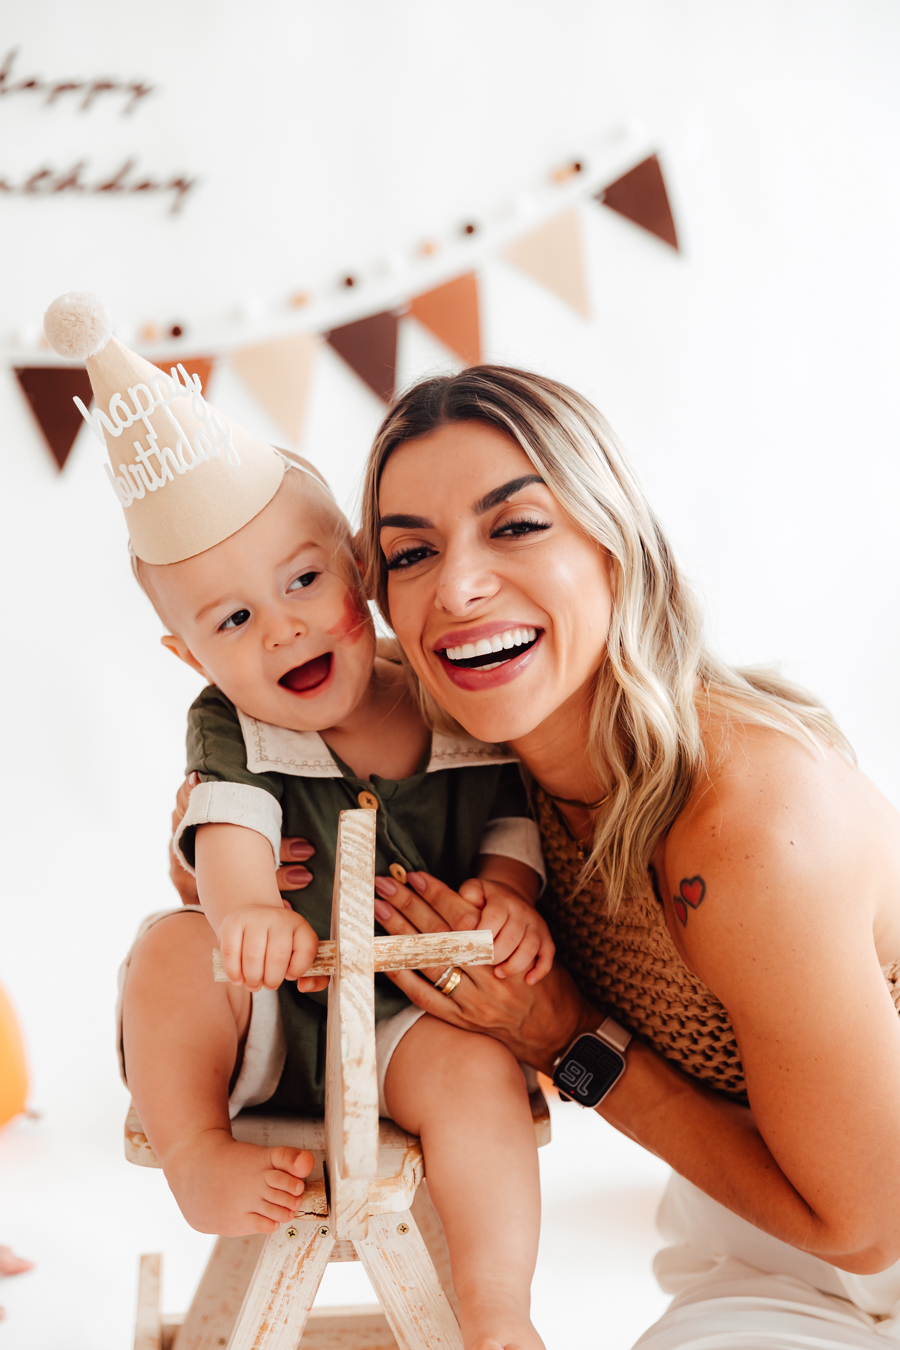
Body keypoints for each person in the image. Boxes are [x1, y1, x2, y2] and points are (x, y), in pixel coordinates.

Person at [338, 365, 900, 1350]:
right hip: (761, 1251)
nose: (459, 588)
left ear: (615, 546)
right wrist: (226, 843)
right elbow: (268, 699)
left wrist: (564, 1037)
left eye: (516, 526)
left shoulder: (750, 825)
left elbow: (865, 1226)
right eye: (412, 553)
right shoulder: (464, 745)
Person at [44, 296, 554, 1350]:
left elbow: (509, 812)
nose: (281, 627)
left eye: (305, 582)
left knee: (481, 1083)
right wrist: (243, 909)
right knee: (170, 951)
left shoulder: (445, 692)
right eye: (233, 620)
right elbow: (228, 828)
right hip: (264, 1022)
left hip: (415, 1018)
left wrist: (508, 895)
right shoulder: (230, 724)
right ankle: (197, 1154)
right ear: (191, 656)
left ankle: (499, 1307)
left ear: (359, 569)